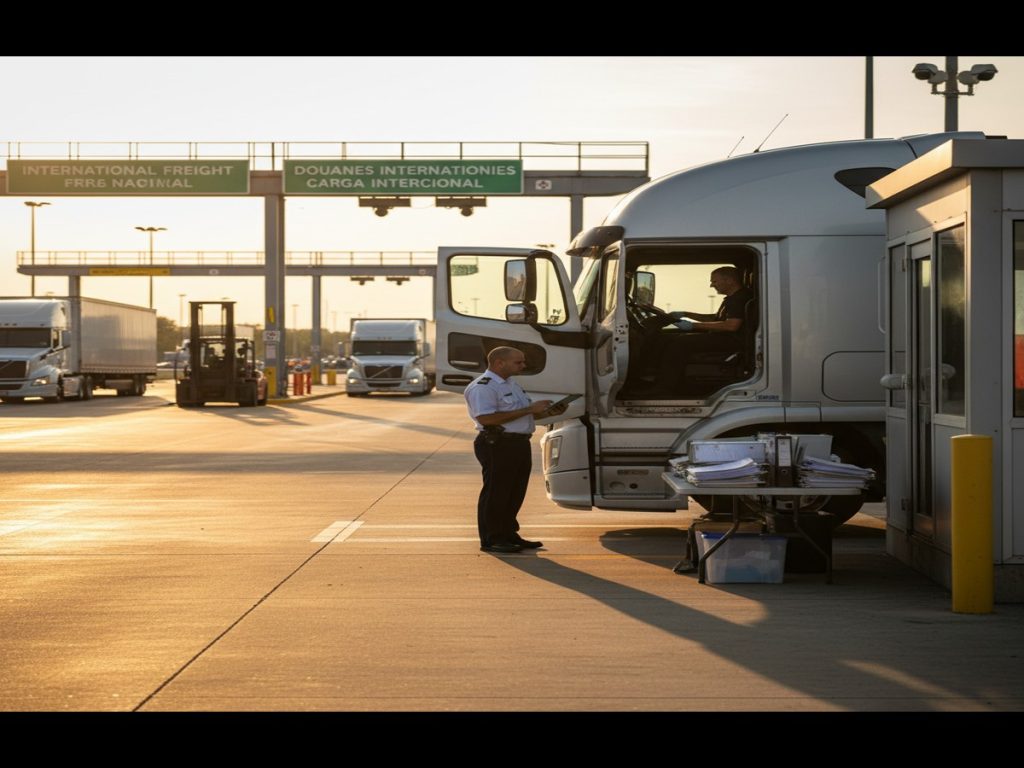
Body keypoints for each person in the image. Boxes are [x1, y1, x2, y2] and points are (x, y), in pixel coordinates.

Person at [464, 346, 566, 553]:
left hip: (518, 443)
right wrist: (529, 409)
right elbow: (485, 418)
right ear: (499, 363)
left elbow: (522, 415)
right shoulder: (483, 387)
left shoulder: (510, 383)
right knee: (497, 492)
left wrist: (549, 412)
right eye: (518, 362)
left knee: (514, 492)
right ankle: (492, 539)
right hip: (498, 443)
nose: (523, 365)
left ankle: (509, 534)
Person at [650, 266, 754, 382]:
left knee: (680, 343)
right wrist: (686, 314)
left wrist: (693, 326)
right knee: (666, 338)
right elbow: (714, 319)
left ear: (729, 281)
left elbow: (731, 326)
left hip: (733, 341)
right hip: (726, 338)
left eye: (714, 281)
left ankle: (665, 385)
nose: (712, 285)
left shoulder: (739, 299)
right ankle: (654, 376)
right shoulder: (733, 298)